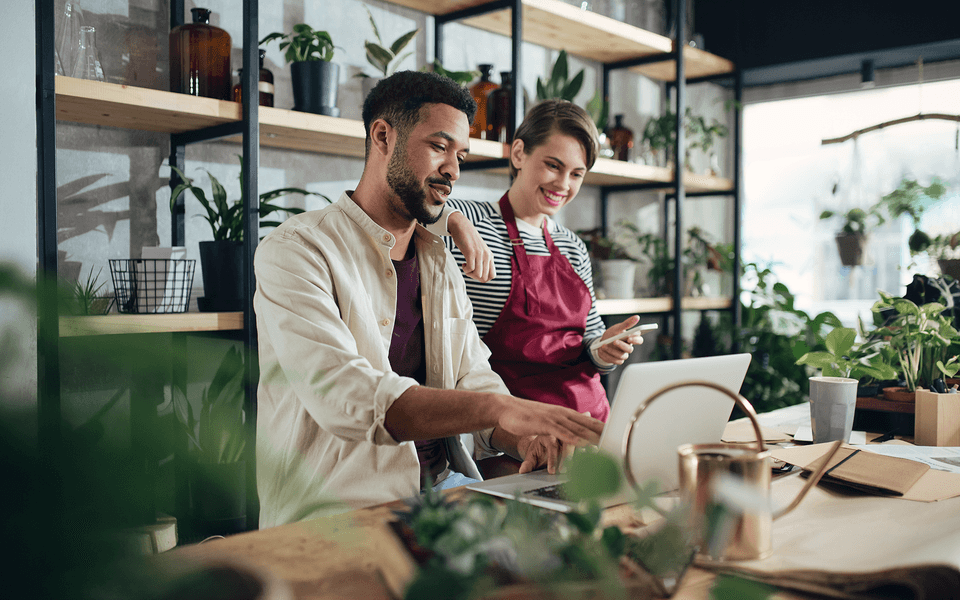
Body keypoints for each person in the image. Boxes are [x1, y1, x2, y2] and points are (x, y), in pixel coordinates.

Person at [253, 71, 604, 527]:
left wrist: (522, 439)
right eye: (439, 147)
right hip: (337, 519)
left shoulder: (438, 259)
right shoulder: (297, 250)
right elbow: (346, 395)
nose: (453, 171)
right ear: (383, 136)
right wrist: (504, 407)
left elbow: (472, 375)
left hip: (442, 500)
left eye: (460, 155)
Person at [441, 99, 646, 422]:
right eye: (553, 165)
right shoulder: (470, 221)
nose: (563, 185)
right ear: (519, 153)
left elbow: (588, 345)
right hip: (512, 425)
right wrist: (453, 220)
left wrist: (604, 349)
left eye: (576, 174)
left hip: (589, 418)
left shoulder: (573, 246)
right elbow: (411, 209)